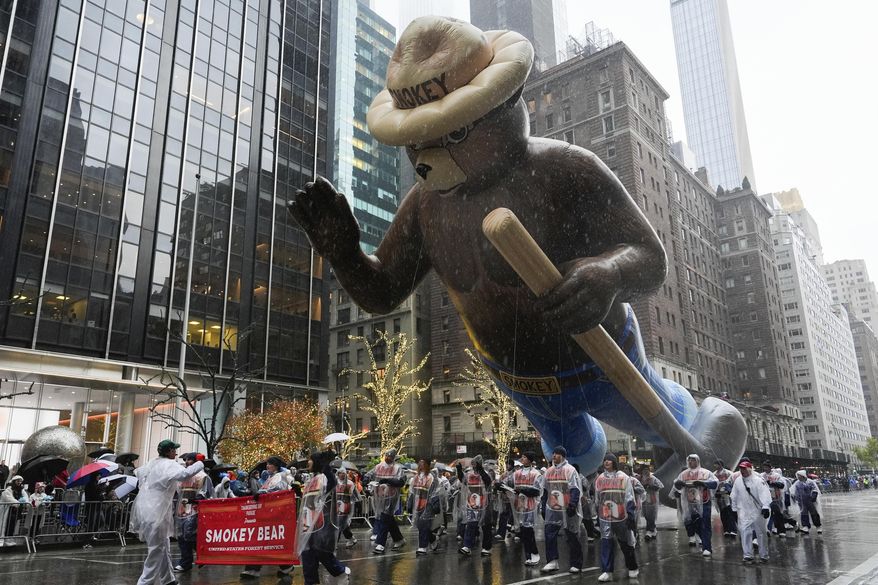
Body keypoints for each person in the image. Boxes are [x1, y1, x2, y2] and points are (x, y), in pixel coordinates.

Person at [130, 440, 204, 585]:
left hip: (146, 509)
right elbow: (185, 474)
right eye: (174, 450)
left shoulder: (153, 463)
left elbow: (140, 477)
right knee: (156, 549)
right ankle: (144, 582)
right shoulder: (168, 464)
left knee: (164, 545)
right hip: (157, 511)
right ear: (169, 451)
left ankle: (168, 579)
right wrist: (200, 463)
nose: (176, 453)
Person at [297, 450, 350, 585]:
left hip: (322, 524)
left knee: (322, 552)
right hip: (307, 523)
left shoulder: (325, 477)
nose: (308, 462)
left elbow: (332, 484)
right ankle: (311, 582)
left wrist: (326, 467)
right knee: (307, 553)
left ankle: (340, 572)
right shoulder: (311, 479)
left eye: (310, 459)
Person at [240, 456, 295, 579]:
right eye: (267, 464)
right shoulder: (269, 478)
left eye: (269, 464)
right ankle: (256, 568)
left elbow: (279, 491)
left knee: (267, 541)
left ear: (275, 465)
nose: (267, 466)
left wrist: (263, 493)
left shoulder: (280, 476)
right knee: (263, 541)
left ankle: (282, 566)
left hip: (275, 515)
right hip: (265, 514)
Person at [595, 453, 638, 582]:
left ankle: (632, 567)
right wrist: (598, 514)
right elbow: (597, 498)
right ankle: (607, 571)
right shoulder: (600, 479)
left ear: (614, 462)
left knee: (626, 544)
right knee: (606, 542)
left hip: (621, 517)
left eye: (609, 460)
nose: (606, 462)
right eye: (605, 460)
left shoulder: (623, 477)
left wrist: (630, 515)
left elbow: (629, 496)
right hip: (605, 517)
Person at [540, 446, 583, 574]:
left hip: (567, 508)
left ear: (563, 456)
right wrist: (543, 505)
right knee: (549, 533)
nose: (554, 455)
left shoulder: (570, 470)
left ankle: (576, 563)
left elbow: (575, 489)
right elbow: (546, 490)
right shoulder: (549, 471)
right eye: (553, 453)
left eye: (557, 454)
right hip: (553, 509)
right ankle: (552, 561)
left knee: (572, 536)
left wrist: (572, 505)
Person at [671, 454, 718, 557]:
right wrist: (678, 488)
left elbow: (715, 483)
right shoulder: (683, 474)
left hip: (704, 503)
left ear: (698, 461)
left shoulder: (706, 472)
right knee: (694, 523)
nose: (691, 462)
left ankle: (707, 547)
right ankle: (704, 540)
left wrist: (703, 484)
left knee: (705, 524)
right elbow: (676, 487)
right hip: (690, 504)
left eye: (693, 460)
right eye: (690, 460)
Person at [174, 452, 211, 574]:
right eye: (186, 460)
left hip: (194, 510)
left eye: (189, 460)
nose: (186, 462)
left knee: (190, 534)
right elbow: (178, 491)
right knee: (181, 536)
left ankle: (203, 554)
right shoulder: (183, 475)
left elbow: (206, 493)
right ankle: (186, 563)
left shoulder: (203, 476)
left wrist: (195, 499)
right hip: (181, 509)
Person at [364, 448, 406, 554]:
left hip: (391, 497)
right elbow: (369, 475)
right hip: (379, 496)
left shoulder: (398, 468)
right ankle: (399, 539)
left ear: (394, 457)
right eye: (387, 455)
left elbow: (401, 481)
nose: (388, 458)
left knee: (385, 518)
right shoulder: (378, 466)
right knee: (388, 519)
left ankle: (380, 543)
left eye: (390, 456)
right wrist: (366, 479)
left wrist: (387, 480)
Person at [730, 460, 771, 564]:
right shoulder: (738, 481)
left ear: (749, 469)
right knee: (744, 532)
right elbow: (734, 495)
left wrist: (765, 506)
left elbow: (765, 493)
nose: (742, 471)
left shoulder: (758, 480)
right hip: (743, 511)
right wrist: (734, 509)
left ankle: (764, 555)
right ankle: (748, 555)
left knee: (761, 533)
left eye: (744, 468)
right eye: (741, 469)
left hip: (757, 511)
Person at [507, 451, 542, 566]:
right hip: (519, 507)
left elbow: (537, 491)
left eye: (525, 457)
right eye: (522, 456)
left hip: (530, 506)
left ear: (530, 460)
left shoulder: (536, 474)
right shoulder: (517, 473)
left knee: (528, 532)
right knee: (524, 532)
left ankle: (534, 554)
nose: (522, 458)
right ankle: (528, 556)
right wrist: (500, 486)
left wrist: (522, 490)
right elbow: (509, 484)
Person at [456, 454, 494, 556]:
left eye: (475, 463)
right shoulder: (469, 474)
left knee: (486, 526)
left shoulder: (486, 473)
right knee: (471, 524)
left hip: (484, 503)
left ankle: (486, 547)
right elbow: (463, 481)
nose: (473, 465)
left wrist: (480, 470)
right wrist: (459, 471)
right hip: (472, 503)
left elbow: (488, 481)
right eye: (473, 463)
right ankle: (467, 546)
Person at [409, 459, 444, 555]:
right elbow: (412, 491)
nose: (420, 466)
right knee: (421, 526)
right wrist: (410, 503)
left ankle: (422, 547)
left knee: (424, 524)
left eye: (423, 464)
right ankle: (432, 540)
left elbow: (435, 492)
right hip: (418, 504)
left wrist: (433, 504)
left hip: (428, 504)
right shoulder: (415, 478)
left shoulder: (432, 478)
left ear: (428, 466)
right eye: (419, 464)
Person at [761, 461, 788, 537]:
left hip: (776, 498)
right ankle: (767, 529)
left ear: (770, 467)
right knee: (767, 514)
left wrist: (773, 483)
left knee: (778, 514)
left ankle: (781, 531)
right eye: (764, 467)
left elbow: (782, 485)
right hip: (765, 498)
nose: (765, 468)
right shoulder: (761, 475)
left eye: (767, 467)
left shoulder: (776, 475)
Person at [791, 470, 822, 535]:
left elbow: (814, 489)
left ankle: (818, 526)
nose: (798, 477)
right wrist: (794, 497)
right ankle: (805, 526)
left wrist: (813, 497)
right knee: (804, 514)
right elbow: (793, 490)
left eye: (799, 475)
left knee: (814, 514)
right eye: (798, 475)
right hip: (801, 502)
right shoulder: (797, 483)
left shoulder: (810, 482)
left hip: (810, 501)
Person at [336, 467, 361, 548]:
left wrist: (354, 505)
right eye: (340, 473)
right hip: (335, 506)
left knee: (339, 523)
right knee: (343, 524)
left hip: (346, 506)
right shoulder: (334, 482)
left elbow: (356, 496)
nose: (342, 474)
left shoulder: (350, 483)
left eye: (343, 473)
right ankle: (351, 538)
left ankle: (334, 543)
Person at [637, 465, 663, 540]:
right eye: (644, 469)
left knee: (651, 516)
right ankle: (653, 529)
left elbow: (660, 486)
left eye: (647, 469)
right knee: (646, 515)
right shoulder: (639, 479)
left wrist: (650, 486)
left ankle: (649, 531)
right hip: (643, 500)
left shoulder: (653, 478)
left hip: (652, 499)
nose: (646, 471)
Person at [713, 460, 737, 537]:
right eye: (715, 465)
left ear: (721, 465)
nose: (716, 466)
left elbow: (733, 481)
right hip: (719, 496)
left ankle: (733, 530)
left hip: (728, 495)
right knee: (723, 514)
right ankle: (726, 530)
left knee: (729, 512)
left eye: (717, 464)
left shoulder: (728, 473)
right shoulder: (714, 474)